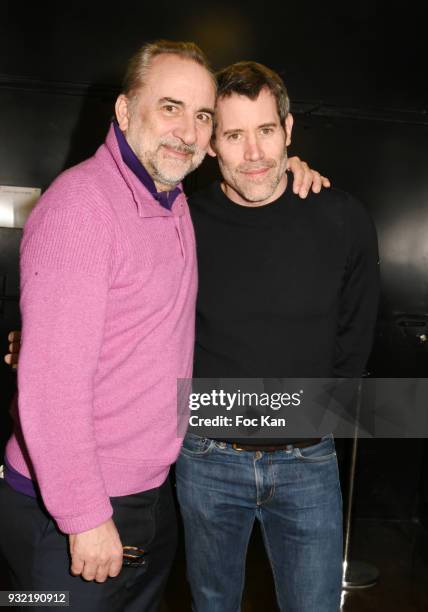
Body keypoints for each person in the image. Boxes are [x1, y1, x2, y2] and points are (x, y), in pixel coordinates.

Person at [0, 41, 326, 611]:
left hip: (148, 496)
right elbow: (52, 385)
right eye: (170, 107)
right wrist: (84, 516)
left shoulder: (173, 202)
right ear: (125, 112)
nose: (187, 130)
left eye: (202, 116)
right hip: (72, 511)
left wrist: (281, 169)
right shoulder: (82, 205)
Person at [175, 61, 379, 612]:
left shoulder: (342, 218)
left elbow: (355, 335)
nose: (255, 153)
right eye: (234, 135)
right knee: (212, 603)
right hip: (206, 458)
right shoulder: (181, 224)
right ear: (211, 144)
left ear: (288, 133)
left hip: (307, 462)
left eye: (266, 130)